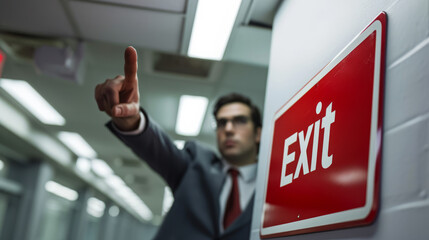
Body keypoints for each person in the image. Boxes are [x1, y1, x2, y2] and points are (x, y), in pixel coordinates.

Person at [95, 46, 262, 240]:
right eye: (222, 122)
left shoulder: (273, 184)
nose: (229, 129)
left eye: (240, 120)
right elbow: (159, 149)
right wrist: (132, 120)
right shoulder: (196, 164)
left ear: (258, 133)